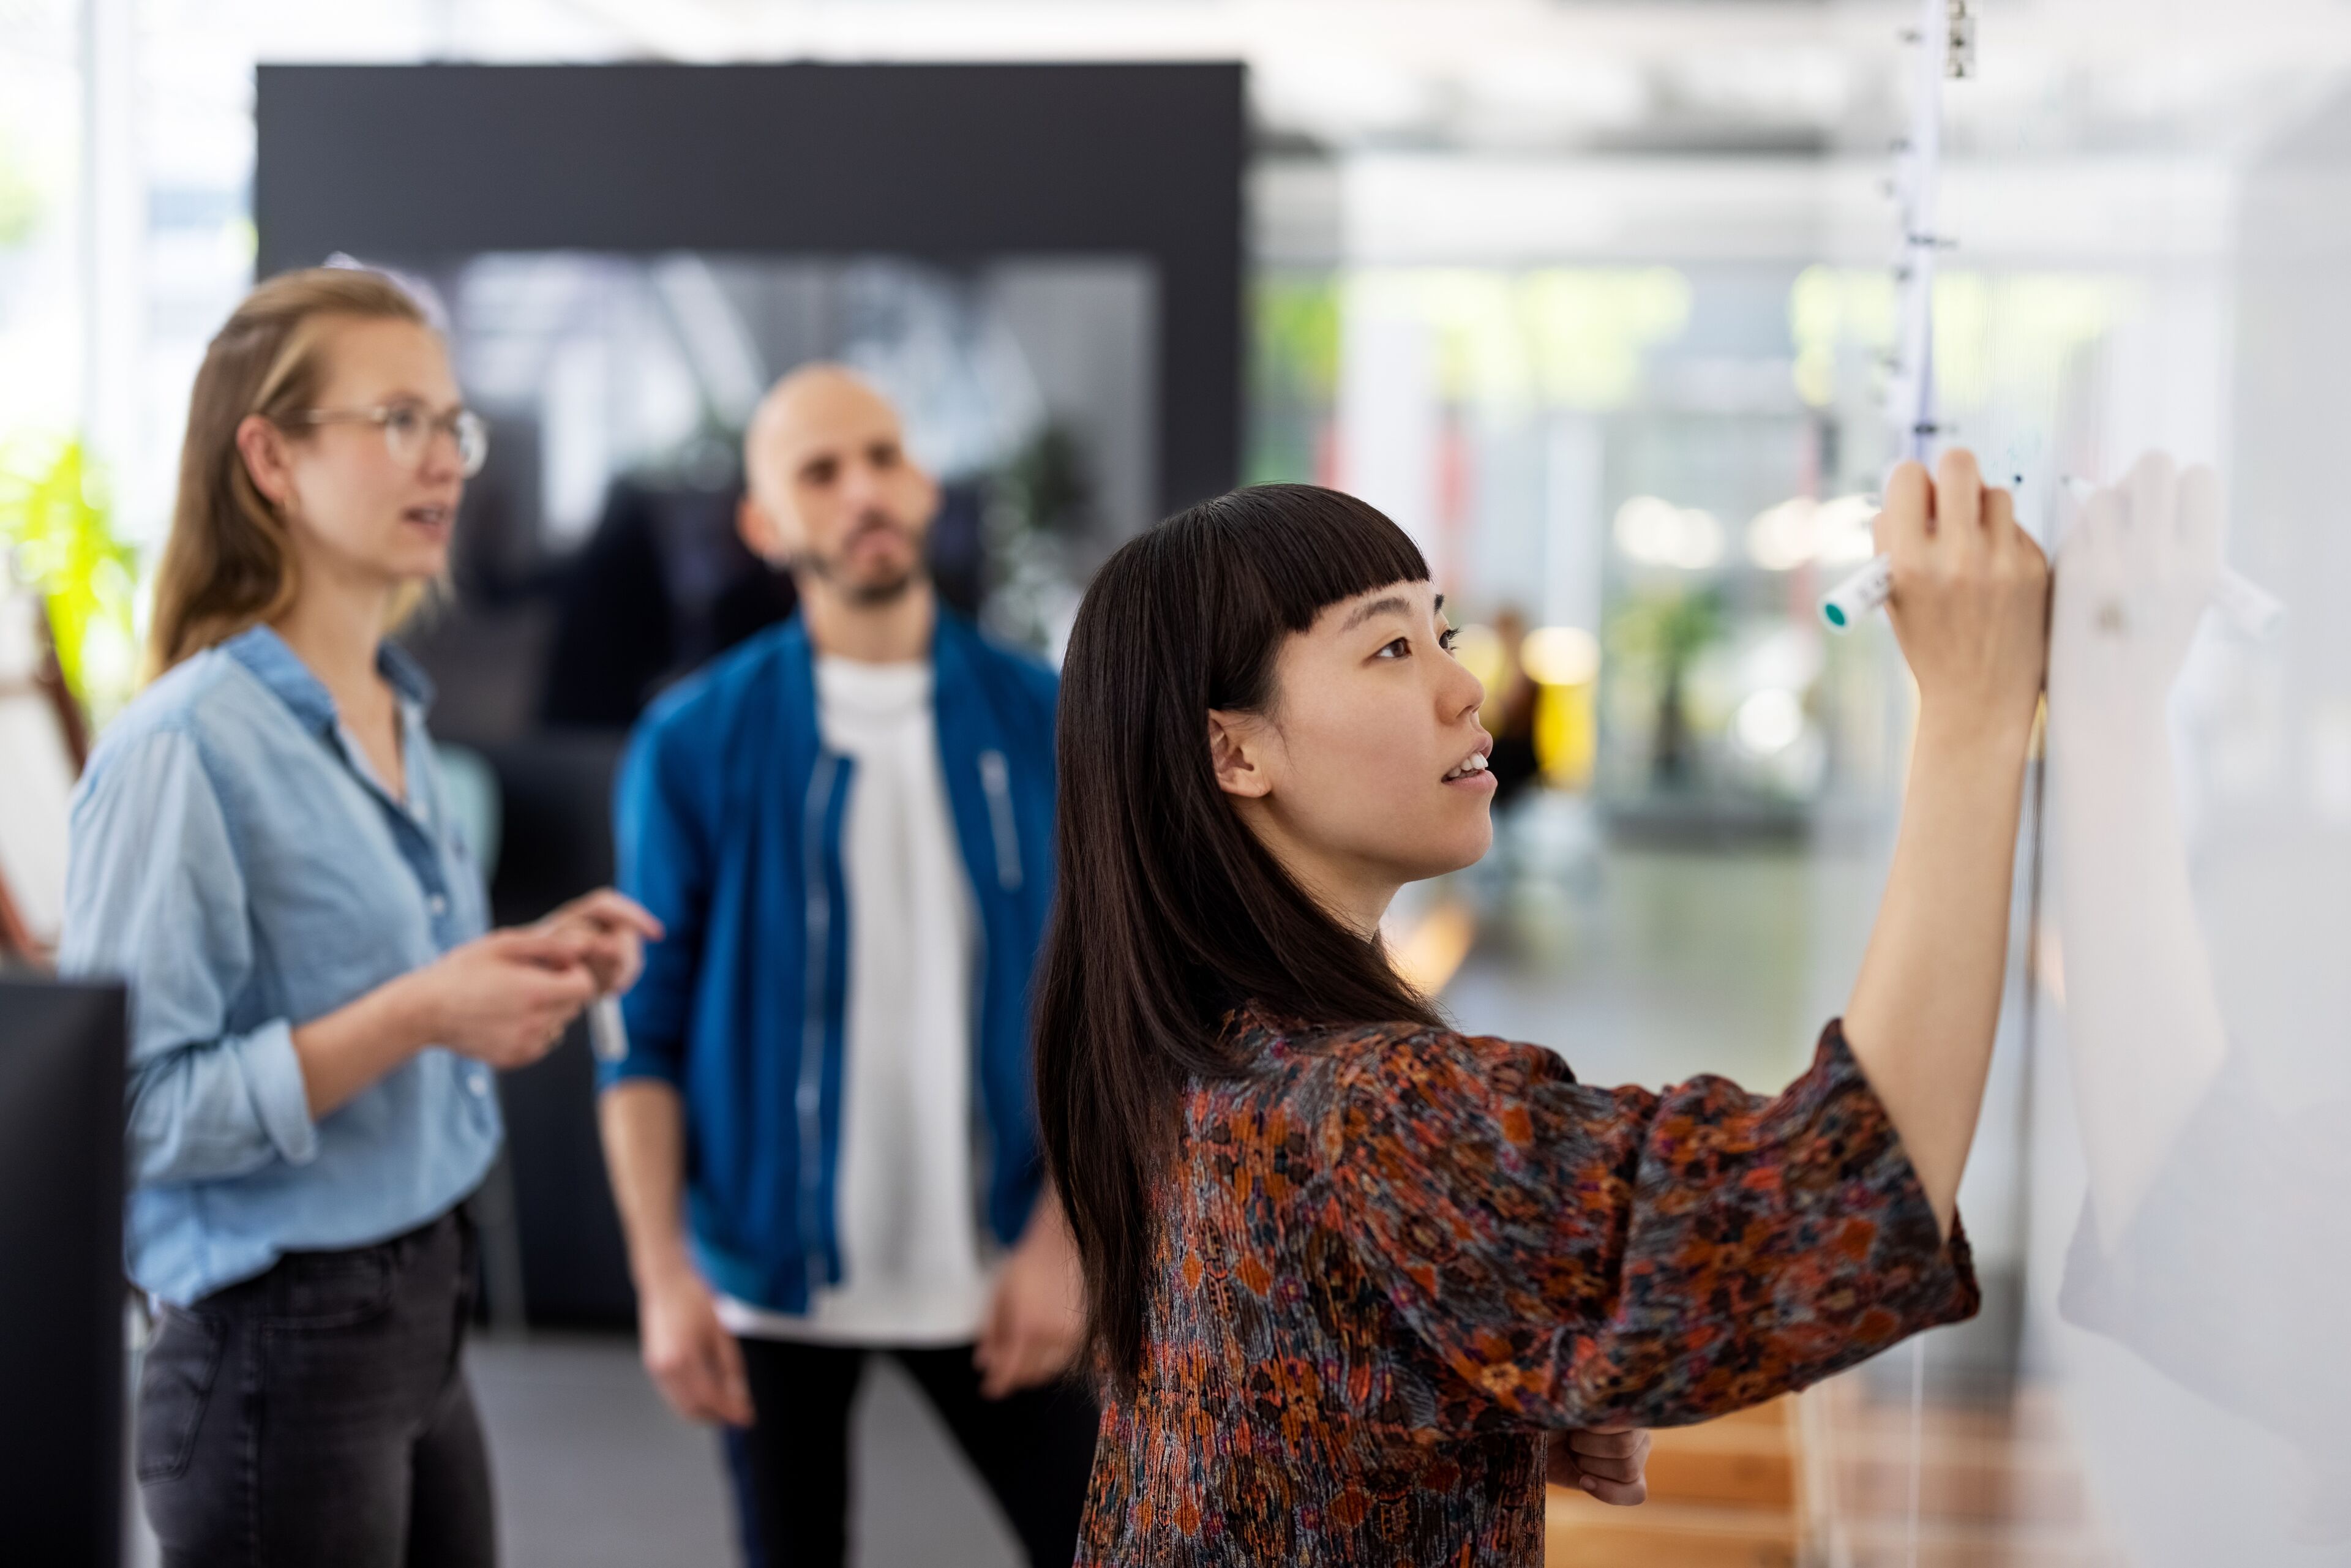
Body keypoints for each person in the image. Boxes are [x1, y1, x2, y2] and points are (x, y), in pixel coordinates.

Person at [1033, 456, 2049, 1565]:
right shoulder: (1372, 1109)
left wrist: (1466, 1377)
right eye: (1389, 648)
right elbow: (1851, 1187)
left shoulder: (1194, 1042)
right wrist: (1975, 716)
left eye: (1443, 635)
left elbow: (1263, 1406)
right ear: (1235, 750)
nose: (1465, 689)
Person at [60, 266, 658, 1567]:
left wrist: (509, 968)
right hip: (278, 1341)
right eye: (397, 420)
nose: (444, 460)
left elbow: (377, 990)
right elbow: (125, 1115)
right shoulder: (184, 747)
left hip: (421, 1302)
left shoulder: (394, 709)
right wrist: (421, 1013)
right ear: (268, 456)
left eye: (454, 425)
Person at [600, 364, 1097, 1567]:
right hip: (771, 1275)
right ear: (766, 526)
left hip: (1003, 1267)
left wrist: (1065, 1239)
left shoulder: (1048, 719)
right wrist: (664, 1277)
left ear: (925, 485)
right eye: (820, 472)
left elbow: (1113, 1011)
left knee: (1112, 1546)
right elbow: (640, 1031)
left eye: (882, 456)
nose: (862, 488)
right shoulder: (694, 742)